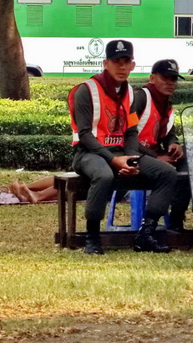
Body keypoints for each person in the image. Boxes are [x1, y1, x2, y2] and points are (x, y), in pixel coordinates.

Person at [68, 39, 176, 255]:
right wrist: (113, 160)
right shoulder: (85, 90)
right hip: (88, 153)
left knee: (168, 173)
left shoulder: (130, 94)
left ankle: (146, 233)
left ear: (133, 65)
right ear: (105, 63)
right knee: (104, 175)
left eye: (127, 61)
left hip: (121, 153)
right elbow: (85, 134)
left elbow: (131, 131)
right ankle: (93, 238)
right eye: (117, 61)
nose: (122, 66)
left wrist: (132, 157)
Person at [132, 59, 192, 234]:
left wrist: (174, 144)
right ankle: (148, 228)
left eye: (173, 79)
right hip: (132, 154)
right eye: (165, 78)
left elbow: (169, 133)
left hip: (151, 153)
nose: (170, 83)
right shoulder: (140, 97)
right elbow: (126, 137)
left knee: (187, 162)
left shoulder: (166, 103)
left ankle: (176, 219)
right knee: (168, 171)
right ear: (152, 78)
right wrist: (155, 157)